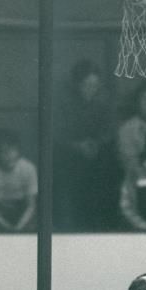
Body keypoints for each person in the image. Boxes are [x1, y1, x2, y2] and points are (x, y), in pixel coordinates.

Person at [54, 60, 117, 231]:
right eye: (86, 84)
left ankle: (99, 225)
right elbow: (56, 133)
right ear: (76, 84)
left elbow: (110, 130)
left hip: (97, 155)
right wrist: (77, 146)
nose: (91, 89)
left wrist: (95, 144)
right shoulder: (63, 103)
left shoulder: (104, 101)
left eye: (94, 85)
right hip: (69, 157)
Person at [0, 128, 38, 232]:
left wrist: (19, 227)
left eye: (13, 150)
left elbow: (31, 206)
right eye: (3, 151)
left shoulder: (28, 168)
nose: (9, 155)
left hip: (22, 214)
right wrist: (7, 227)